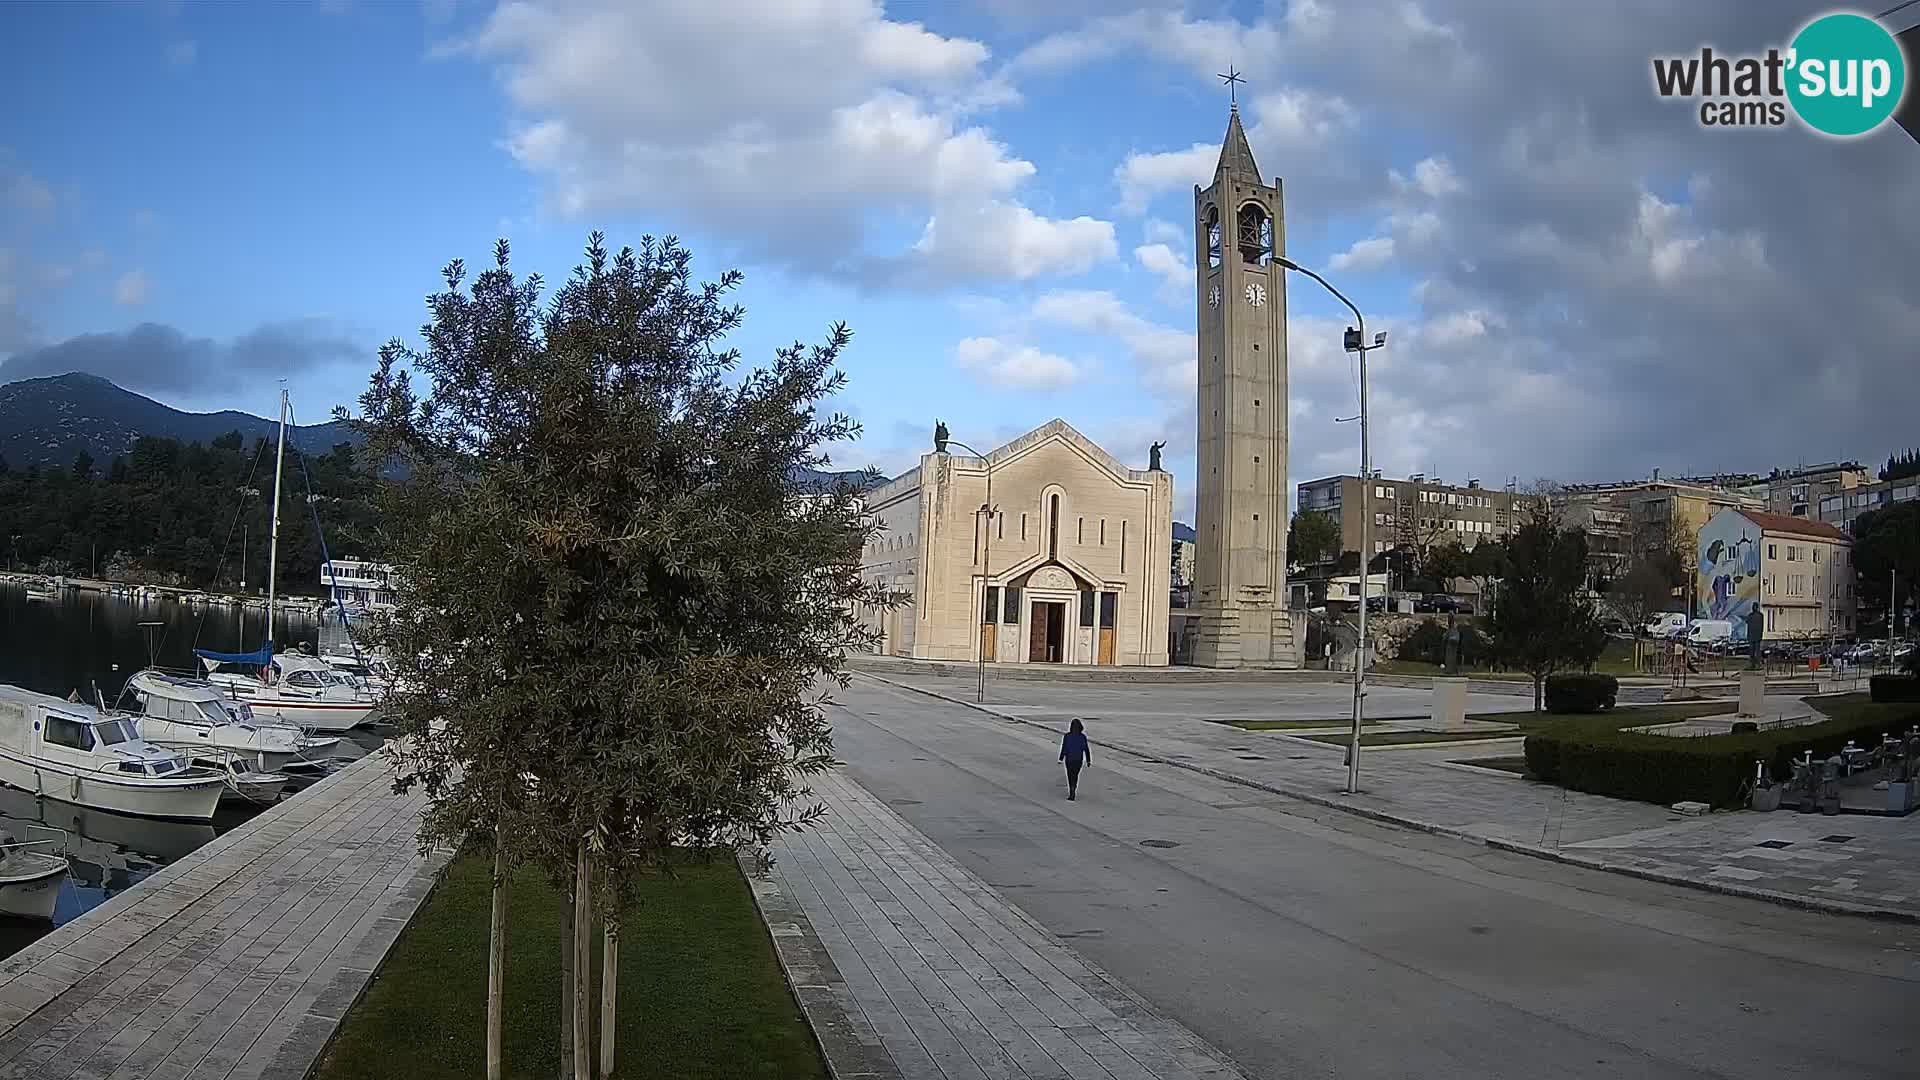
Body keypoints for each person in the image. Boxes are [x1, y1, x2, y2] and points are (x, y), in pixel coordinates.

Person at [1059, 718, 1091, 800]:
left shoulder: (1067, 736)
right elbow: (1086, 749)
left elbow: (1064, 748)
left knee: (1070, 774)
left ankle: (1071, 790)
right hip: (1078, 759)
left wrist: (1061, 758)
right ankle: (1074, 787)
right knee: (1075, 775)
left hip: (1069, 759)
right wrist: (1088, 760)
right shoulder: (1082, 737)